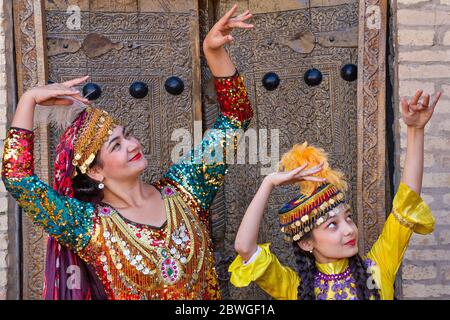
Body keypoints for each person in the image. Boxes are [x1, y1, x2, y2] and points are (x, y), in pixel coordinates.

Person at [2, 5, 254, 300]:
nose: (133, 145)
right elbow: (17, 178)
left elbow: (237, 117)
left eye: (128, 135)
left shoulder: (187, 189)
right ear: (96, 170)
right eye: (116, 145)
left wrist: (213, 51)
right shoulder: (89, 226)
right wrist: (29, 100)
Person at [229, 90, 442, 300]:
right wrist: (269, 182)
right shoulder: (295, 289)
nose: (349, 229)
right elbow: (244, 248)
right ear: (306, 243)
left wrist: (415, 131)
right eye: (332, 224)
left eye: (348, 218)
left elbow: (406, 205)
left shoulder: (377, 270)